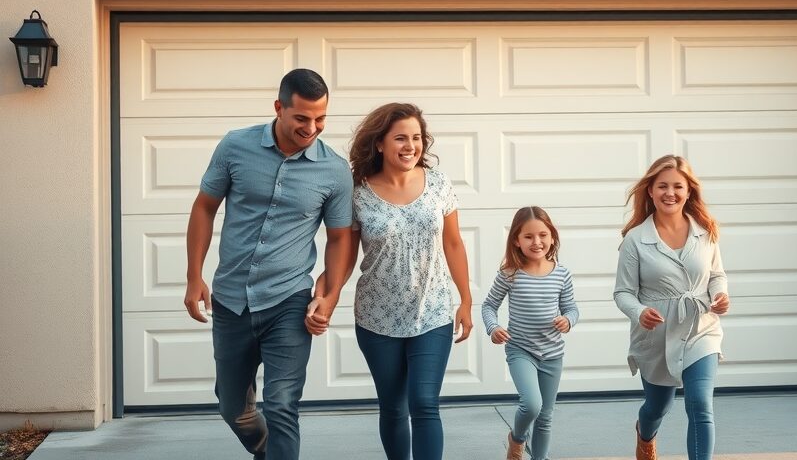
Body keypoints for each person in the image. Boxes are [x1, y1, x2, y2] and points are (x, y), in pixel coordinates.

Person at [183, 68, 355, 460]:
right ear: (279, 108)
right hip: (230, 299)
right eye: (302, 118)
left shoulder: (333, 170)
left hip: (289, 300)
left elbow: (341, 238)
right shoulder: (234, 146)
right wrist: (194, 277)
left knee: (281, 406)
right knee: (233, 408)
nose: (312, 127)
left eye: (321, 118)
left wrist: (329, 295)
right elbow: (204, 208)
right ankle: (267, 452)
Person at [308, 102, 472, 460]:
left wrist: (466, 300)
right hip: (377, 317)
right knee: (394, 407)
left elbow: (454, 243)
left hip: (433, 312)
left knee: (425, 403)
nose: (411, 145)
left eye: (416, 137)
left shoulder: (439, 184)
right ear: (380, 143)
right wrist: (328, 289)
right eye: (401, 138)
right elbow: (345, 253)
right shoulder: (357, 192)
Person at [613, 155, 730, 460]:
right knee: (657, 407)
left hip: (700, 330)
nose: (670, 193)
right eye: (662, 186)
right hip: (656, 337)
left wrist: (720, 294)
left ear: (689, 191)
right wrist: (639, 312)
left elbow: (716, 274)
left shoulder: (706, 231)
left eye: (678, 186)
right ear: (650, 190)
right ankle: (645, 433)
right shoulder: (635, 240)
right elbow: (623, 293)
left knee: (700, 405)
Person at [481, 206, 579, 460]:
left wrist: (568, 320)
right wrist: (494, 328)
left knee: (546, 415)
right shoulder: (510, 274)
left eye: (543, 235)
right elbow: (489, 305)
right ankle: (518, 438)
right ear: (516, 239)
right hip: (521, 350)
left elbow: (571, 308)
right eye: (528, 236)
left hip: (552, 354)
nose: (537, 242)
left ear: (552, 236)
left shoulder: (561, 273)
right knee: (532, 404)